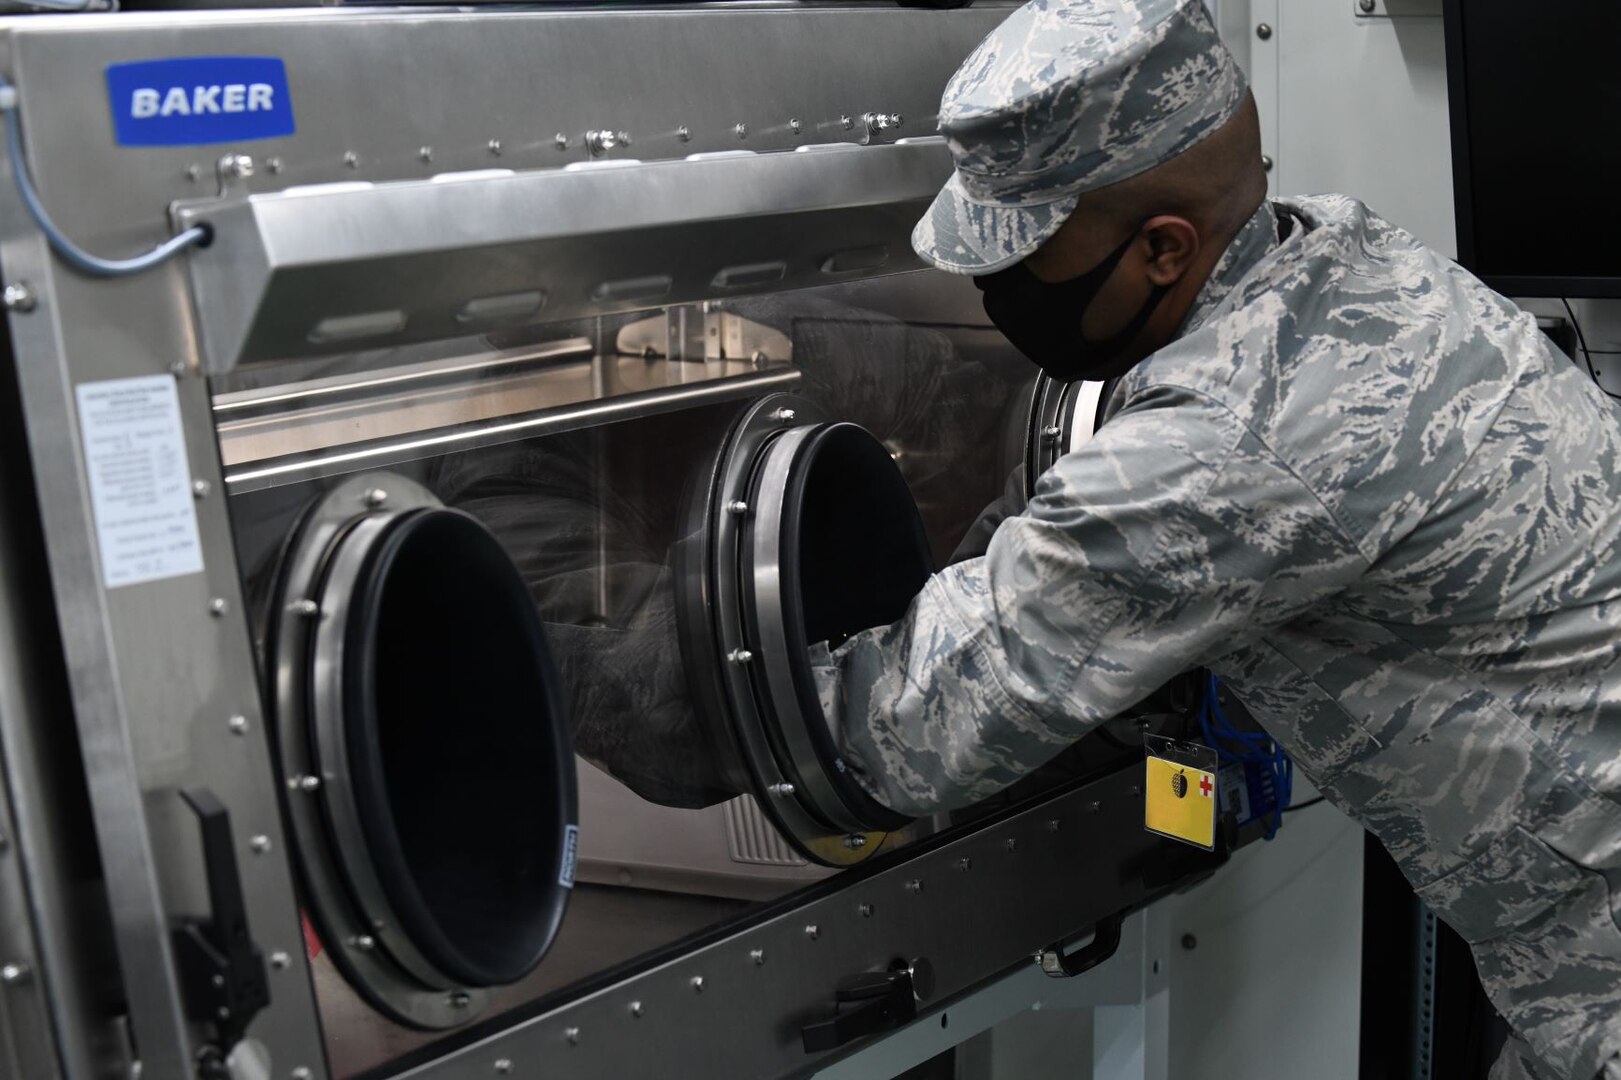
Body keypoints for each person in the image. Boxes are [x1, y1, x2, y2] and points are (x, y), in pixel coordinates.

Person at [811, 1, 1621, 1076]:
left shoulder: (1236, 439)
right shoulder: (1346, 255)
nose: (988, 293)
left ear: (1161, 248)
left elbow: (906, 728)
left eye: (1019, 261)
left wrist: (603, 666)